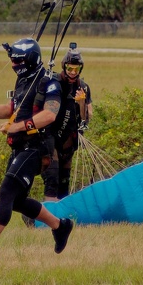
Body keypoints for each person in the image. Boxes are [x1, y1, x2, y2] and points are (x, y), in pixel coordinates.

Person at [0, 38, 74, 262]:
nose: (12, 64)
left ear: (28, 60)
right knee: (17, 200)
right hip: (21, 147)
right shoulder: (23, 80)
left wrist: (17, 126)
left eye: (16, 60)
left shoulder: (49, 83)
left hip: (38, 148)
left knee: (7, 192)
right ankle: (60, 226)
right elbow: (12, 109)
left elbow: (50, 115)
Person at [42, 45, 94, 201]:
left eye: (76, 69)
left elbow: (86, 118)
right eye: (69, 68)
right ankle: (48, 212)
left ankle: (61, 217)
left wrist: (82, 102)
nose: (72, 72)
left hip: (69, 141)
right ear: (64, 66)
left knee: (64, 181)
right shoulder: (54, 83)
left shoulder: (83, 87)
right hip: (51, 137)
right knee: (52, 176)